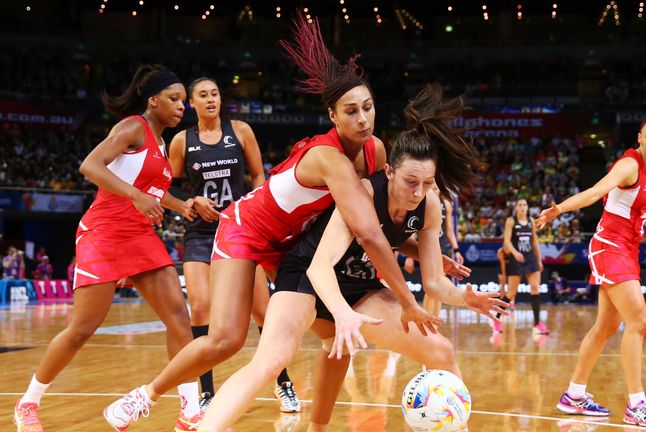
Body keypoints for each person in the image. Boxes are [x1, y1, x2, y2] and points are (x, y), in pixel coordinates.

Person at [105, 15, 442, 430]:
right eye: (350, 111)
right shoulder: (328, 158)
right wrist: (409, 301)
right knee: (226, 338)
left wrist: (422, 247)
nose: (362, 118)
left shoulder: (375, 150)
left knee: (334, 336)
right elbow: (370, 234)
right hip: (247, 231)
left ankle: (313, 421)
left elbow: (373, 227)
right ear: (333, 117)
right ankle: (146, 395)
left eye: (368, 108)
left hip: (291, 242)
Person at [197, 83, 508, 432]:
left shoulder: (429, 206)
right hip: (308, 275)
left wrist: (463, 297)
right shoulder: (360, 192)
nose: (418, 192)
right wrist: (342, 313)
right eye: (410, 182)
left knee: (441, 350)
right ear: (389, 172)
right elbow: (319, 266)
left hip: (360, 286)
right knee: (271, 361)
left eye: (427, 184)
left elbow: (434, 281)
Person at [14, 65, 202, 432]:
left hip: (140, 233)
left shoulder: (162, 144)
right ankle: (28, 402)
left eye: (184, 100)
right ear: (153, 100)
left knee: (180, 321)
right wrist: (134, 195)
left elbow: (150, 188)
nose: (183, 106)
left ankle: (190, 414)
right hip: (103, 231)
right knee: (82, 328)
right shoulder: (133, 127)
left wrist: (183, 205)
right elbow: (90, 165)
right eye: (174, 99)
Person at [537, 113, 646, 428]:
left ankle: (574, 395)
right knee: (639, 321)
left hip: (627, 249)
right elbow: (594, 193)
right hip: (609, 247)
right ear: (639, 138)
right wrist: (559, 210)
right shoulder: (629, 165)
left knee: (605, 328)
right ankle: (636, 404)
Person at [167, 77, 299, 413]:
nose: (211, 99)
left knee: (262, 310)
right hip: (199, 232)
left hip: (240, 230)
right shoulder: (182, 141)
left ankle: (283, 382)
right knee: (200, 308)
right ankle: (206, 392)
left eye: (214, 94)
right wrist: (191, 200)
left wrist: (256, 207)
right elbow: (167, 187)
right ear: (191, 103)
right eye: (203, 95)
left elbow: (259, 176)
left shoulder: (240, 131)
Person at [503, 198, 550, 335]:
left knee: (535, 288)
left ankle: (537, 324)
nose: (522, 207)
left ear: (527, 207)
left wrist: (539, 260)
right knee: (511, 293)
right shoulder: (511, 221)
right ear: (516, 208)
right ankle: (496, 318)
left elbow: (535, 242)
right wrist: (515, 253)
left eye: (524, 204)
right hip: (516, 259)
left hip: (530, 258)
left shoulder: (530, 221)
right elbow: (506, 241)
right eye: (520, 205)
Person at [420, 183, 463, 317]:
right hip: (428, 247)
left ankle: (434, 321)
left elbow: (449, 231)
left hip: (444, 247)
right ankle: (427, 318)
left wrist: (456, 250)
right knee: (433, 286)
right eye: (431, 187)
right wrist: (410, 256)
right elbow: (416, 229)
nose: (434, 189)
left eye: (436, 187)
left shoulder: (446, 205)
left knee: (439, 285)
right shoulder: (423, 202)